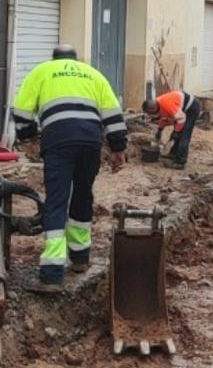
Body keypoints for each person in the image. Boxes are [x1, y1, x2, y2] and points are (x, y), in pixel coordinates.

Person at [11, 44, 127, 290]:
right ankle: (80, 257)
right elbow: (113, 115)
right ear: (75, 59)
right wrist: (118, 149)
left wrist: (29, 138)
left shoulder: (42, 71)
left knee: (56, 200)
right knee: (83, 195)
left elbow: (21, 111)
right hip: (90, 142)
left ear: (54, 58)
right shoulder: (93, 74)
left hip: (59, 141)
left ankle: (53, 273)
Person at [142, 89, 201, 169]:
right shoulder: (157, 104)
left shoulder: (166, 104)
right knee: (178, 132)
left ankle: (180, 162)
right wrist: (160, 130)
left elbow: (181, 119)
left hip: (191, 108)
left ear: (153, 108)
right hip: (181, 111)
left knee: (184, 135)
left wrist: (176, 132)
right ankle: (173, 154)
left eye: (149, 112)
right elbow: (164, 118)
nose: (149, 114)